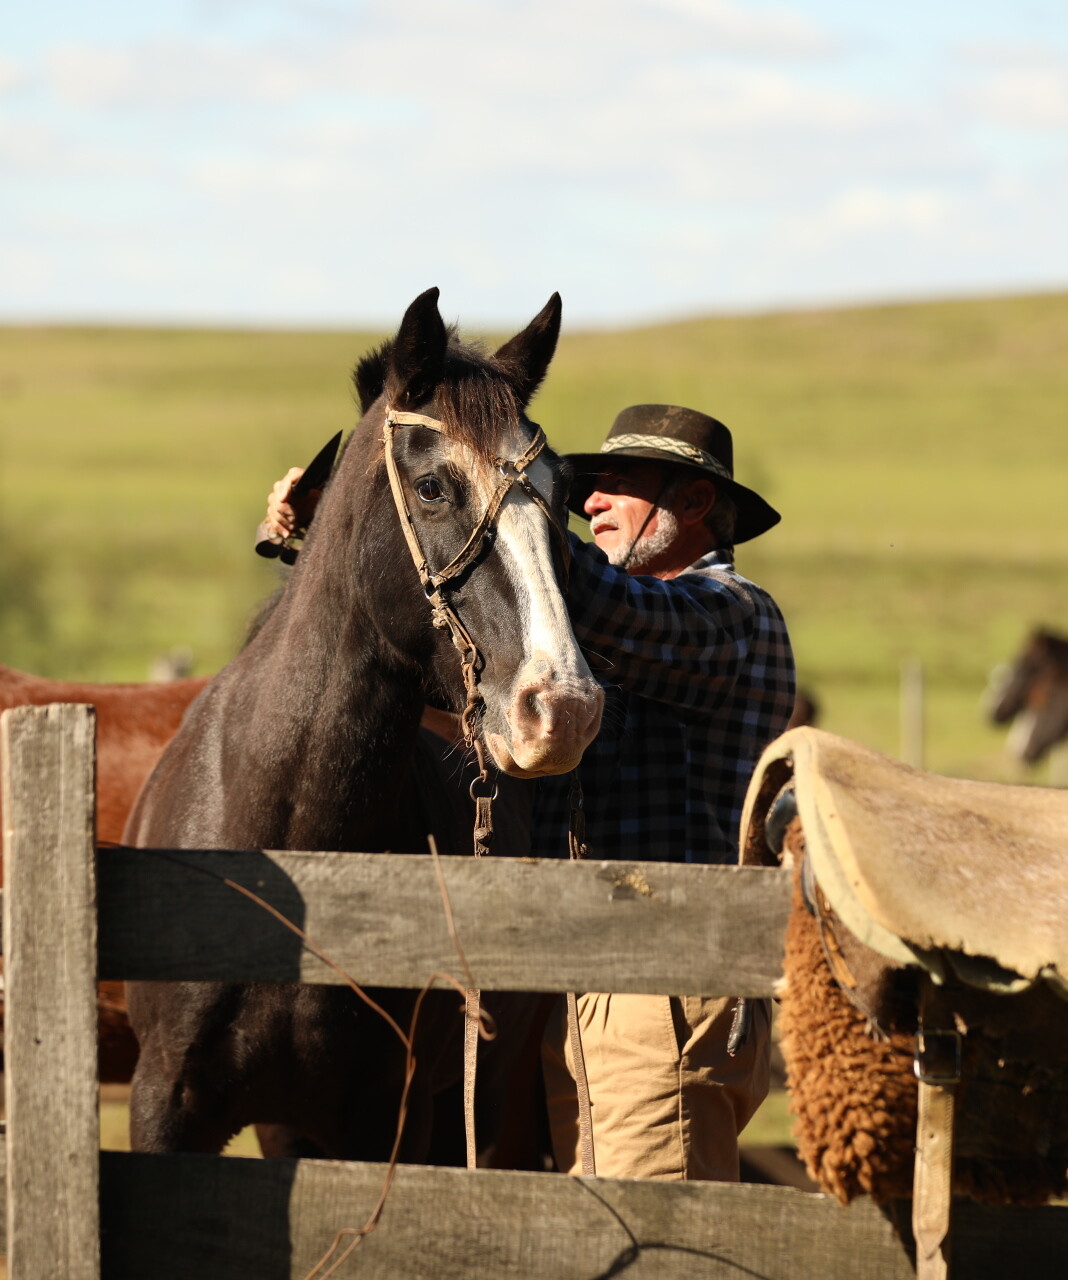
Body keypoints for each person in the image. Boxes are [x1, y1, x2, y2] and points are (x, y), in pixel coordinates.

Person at [260, 403, 797, 1182]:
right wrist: (342, 531)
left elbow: (601, 604)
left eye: (619, 484)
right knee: (609, 1227)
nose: (591, 502)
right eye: (589, 487)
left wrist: (492, 515)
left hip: (667, 981)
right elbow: (464, 638)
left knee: (659, 1231)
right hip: (606, 983)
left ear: (695, 501)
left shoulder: (734, 615)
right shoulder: (615, 637)